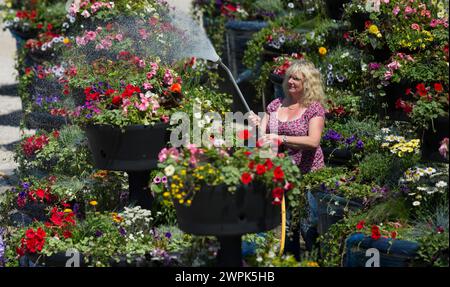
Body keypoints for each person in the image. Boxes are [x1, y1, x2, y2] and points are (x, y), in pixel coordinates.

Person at [249, 59, 326, 260]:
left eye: (296, 78)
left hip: (308, 177)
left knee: (309, 226)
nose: (290, 81)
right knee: (288, 226)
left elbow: (313, 141)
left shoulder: (313, 108)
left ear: (307, 83)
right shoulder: (275, 105)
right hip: (282, 176)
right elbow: (263, 139)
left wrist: (281, 138)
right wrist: (257, 125)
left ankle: (319, 261)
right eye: (289, 77)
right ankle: (291, 262)